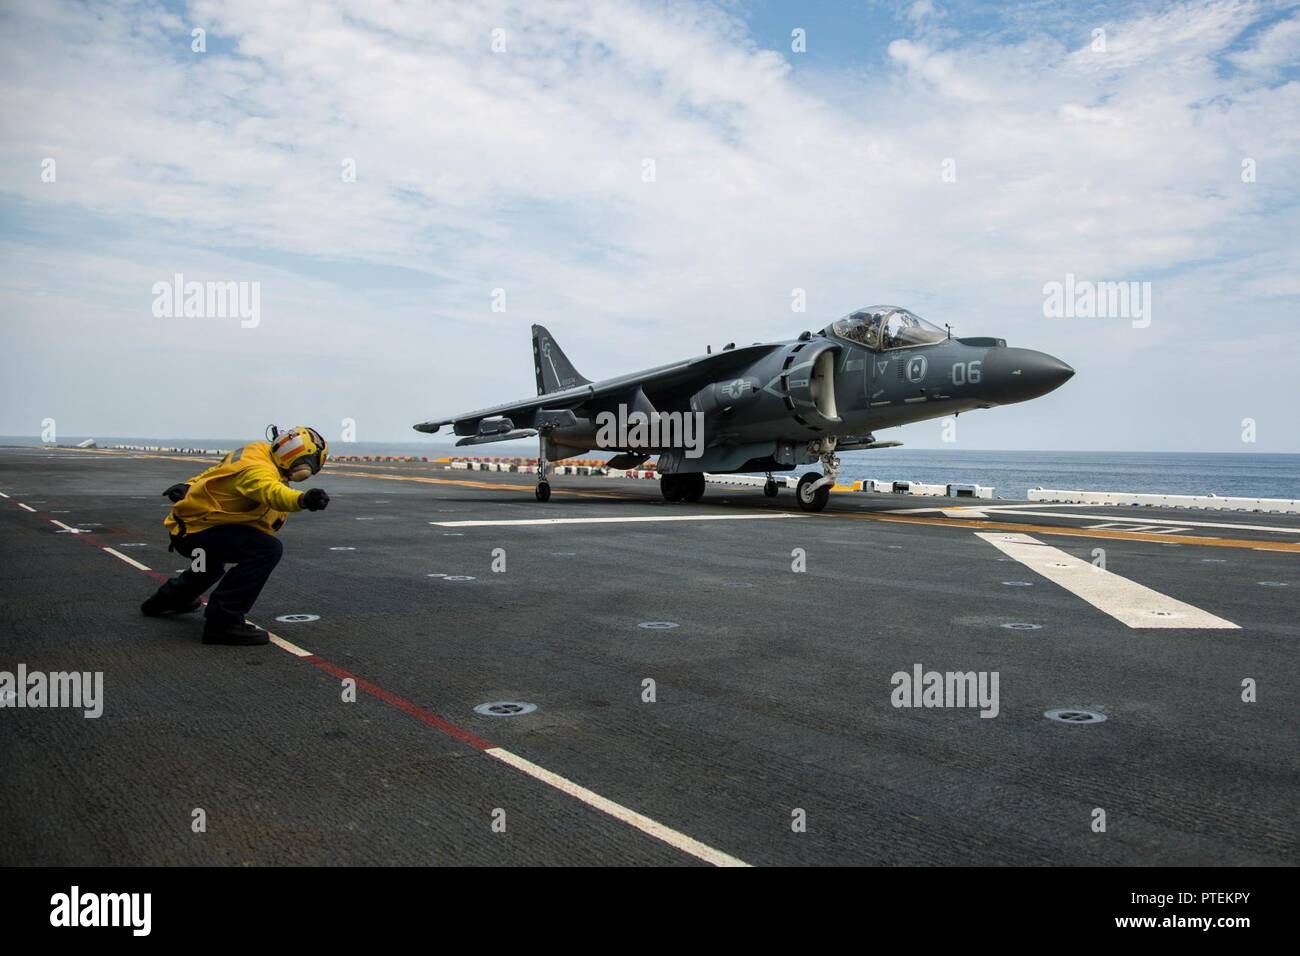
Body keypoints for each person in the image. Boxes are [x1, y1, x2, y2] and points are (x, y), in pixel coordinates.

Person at [140, 426, 331, 645]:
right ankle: (223, 623)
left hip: (193, 530)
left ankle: (166, 600)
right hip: (197, 534)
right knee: (267, 549)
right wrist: (303, 500)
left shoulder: (255, 450)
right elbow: (272, 492)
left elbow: (217, 472)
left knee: (210, 566)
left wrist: (189, 484)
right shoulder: (257, 471)